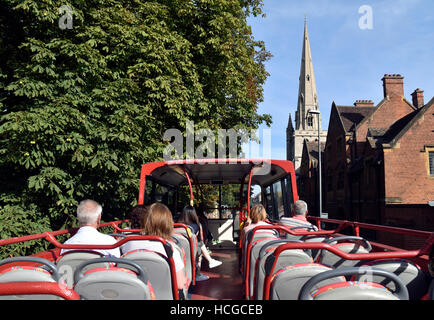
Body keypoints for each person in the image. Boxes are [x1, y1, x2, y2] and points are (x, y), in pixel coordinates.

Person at [122, 203, 187, 291]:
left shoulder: (128, 242)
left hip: (134, 294)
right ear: (168, 224)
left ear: (146, 221)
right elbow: (179, 284)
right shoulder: (170, 249)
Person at [177, 205, 222, 281]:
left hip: (178, 247)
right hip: (189, 248)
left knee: (200, 244)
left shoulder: (177, 225)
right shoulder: (194, 226)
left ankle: (210, 261)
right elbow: (195, 238)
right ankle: (198, 273)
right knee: (200, 245)